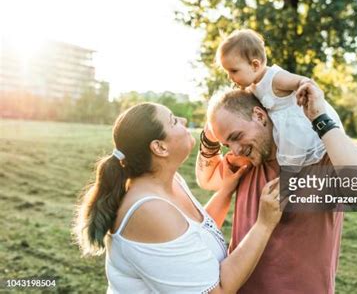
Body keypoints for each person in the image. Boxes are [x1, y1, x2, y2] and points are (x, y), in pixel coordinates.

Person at [73, 102, 286, 293]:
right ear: (160, 147)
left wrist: (226, 191)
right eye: (174, 120)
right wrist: (264, 224)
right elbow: (218, 291)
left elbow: (193, 234)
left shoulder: (169, 182)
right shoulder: (148, 211)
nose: (183, 120)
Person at [196, 83, 357, 293]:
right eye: (227, 144)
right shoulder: (246, 161)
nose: (235, 150)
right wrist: (210, 133)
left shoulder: (319, 158)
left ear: (259, 115)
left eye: (236, 137)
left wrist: (321, 119)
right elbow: (206, 179)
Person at [216, 29, 342, 170]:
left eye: (233, 71)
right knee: (291, 163)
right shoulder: (252, 87)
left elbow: (302, 81)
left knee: (299, 160)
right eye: (227, 72)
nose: (230, 77)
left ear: (255, 65)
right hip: (282, 129)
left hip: (296, 125)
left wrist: (303, 89)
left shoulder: (275, 78)